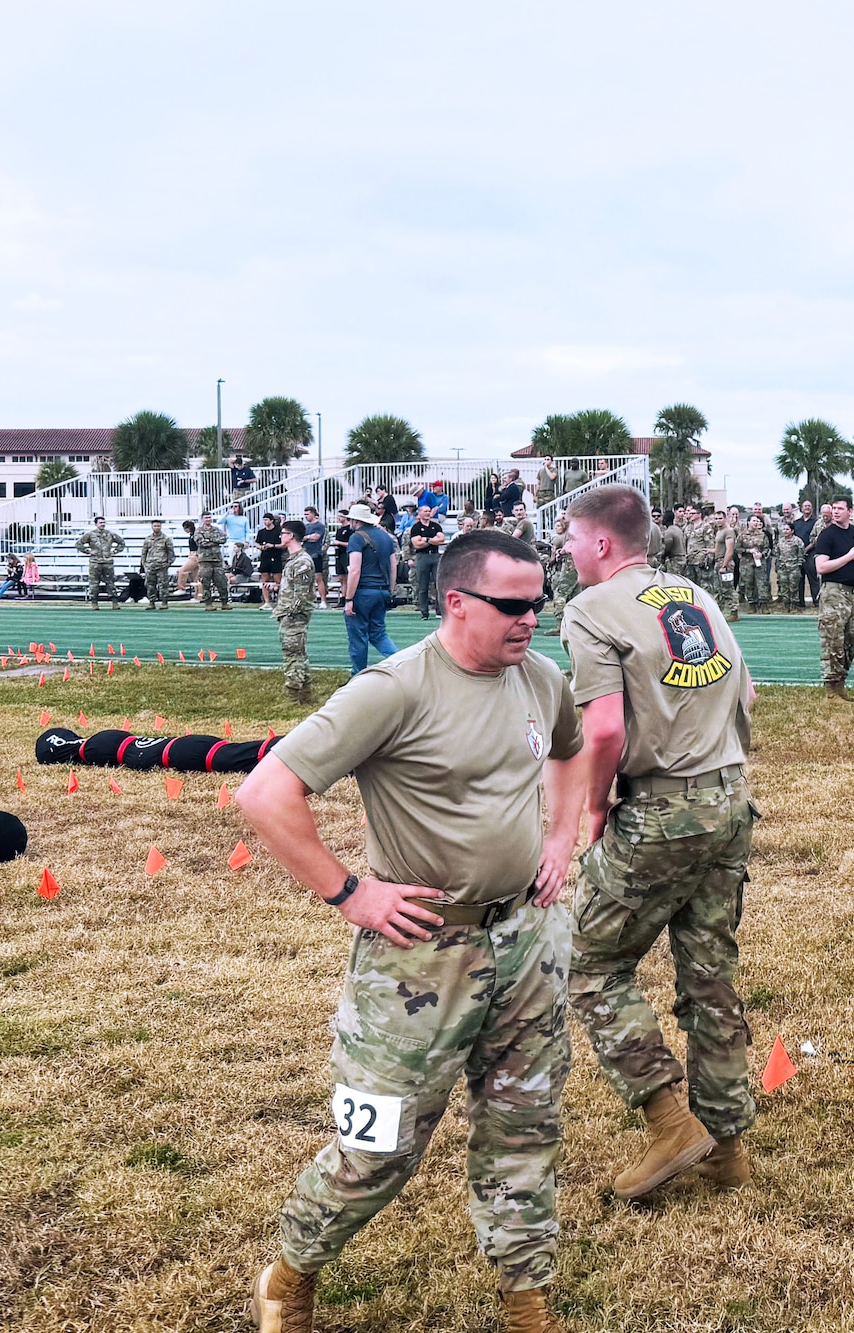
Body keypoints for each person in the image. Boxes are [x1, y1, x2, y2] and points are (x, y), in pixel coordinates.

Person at [237, 529, 583, 1333]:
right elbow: (265, 793)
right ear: (456, 601)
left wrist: (562, 835)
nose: (531, 618)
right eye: (512, 605)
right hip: (422, 958)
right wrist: (351, 893)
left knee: (524, 1126)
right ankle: (290, 1272)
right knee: (379, 1146)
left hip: (526, 942)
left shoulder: (540, 677)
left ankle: (525, 1299)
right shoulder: (392, 689)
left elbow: (572, 752)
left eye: (539, 603)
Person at [556, 486, 757, 1205]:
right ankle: (727, 1146)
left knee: (585, 959)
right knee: (708, 969)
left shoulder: (589, 611)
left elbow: (604, 729)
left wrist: (596, 800)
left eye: (571, 538)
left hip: (663, 806)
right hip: (728, 795)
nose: (565, 550)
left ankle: (670, 1122)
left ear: (602, 543)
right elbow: (747, 694)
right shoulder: (694, 593)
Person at [812, 497, 854, 700]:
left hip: (853, 594)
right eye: (833, 508)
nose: (835, 511)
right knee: (833, 639)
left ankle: (841, 681)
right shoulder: (827, 535)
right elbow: (821, 567)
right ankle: (832, 687)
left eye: (840, 508)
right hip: (834, 593)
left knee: (851, 638)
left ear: (850, 511)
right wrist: (848, 558)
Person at [342, 502, 400, 673]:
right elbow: (393, 566)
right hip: (381, 590)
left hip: (362, 592)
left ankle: (358, 675)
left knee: (358, 637)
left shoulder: (356, 538)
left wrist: (349, 598)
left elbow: (354, 570)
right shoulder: (385, 537)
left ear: (355, 521)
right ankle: (403, 663)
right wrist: (390, 589)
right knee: (378, 634)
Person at [271, 520, 318, 703]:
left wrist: (290, 612)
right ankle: (306, 696)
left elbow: (302, 593)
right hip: (290, 613)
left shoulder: (302, 562)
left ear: (291, 536)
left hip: (294, 616)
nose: (280, 536)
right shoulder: (294, 560)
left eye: (283, 533)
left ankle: (293, 696)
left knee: (292, 655)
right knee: (298, 653)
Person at [74, 514, 125, 610]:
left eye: (103, 522)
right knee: (94, 583)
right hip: (95, 562)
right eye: (100, 523)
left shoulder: (110, 534)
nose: (102, 524)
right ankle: (94, 602)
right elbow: (78, 544)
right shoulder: (90, 534)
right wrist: (88, 551)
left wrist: (114, 551)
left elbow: (121, 542)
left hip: (107, 562)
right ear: (96, 524)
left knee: (110, 583)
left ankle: (114, 602)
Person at [406, 505, 447, 619]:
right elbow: (416, 544)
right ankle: (424, 612)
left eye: (429, 511)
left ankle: (439, 611)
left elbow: (441, 539)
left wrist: (426, 539)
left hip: (435, 556)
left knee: (438, 584)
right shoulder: (416, 528)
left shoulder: (436, 526)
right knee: (423, 585)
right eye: (425, 511)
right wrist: (432, 540)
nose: (428, 513)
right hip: (422, 557)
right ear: (419, 513)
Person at [194, 512, 232, 610]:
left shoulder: (216, 529)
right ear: (202, 519)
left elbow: (223, 539)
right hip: (205, 560)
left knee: (221, 581)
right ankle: (208, 603)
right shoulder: (199, 531)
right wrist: (215, 540)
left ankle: (224, 602)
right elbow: (201, 542)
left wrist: (209, 539)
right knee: (206, 582)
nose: (208, 519)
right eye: (206, 518)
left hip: (217, 560)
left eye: (209, 517)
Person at [789, 499, 819, 607]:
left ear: (812, 508)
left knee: (813, 579)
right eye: (805, 506)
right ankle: (800, 603)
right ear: (801, 508)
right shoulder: (796, 523)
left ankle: (816, 602)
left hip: (810, 554)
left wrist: (806, 549)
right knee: (799, 579)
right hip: (797, 556)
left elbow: (816, 538)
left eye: (809, 506)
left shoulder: (816, 522)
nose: (807, 507)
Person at [739, 513, 771, 609]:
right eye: (754, 521)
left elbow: (767, 548)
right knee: (749, 583)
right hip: (747, 564)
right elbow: (737, 548)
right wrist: (748, 551)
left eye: (757, 521)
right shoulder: (742, 535)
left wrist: (762, 554)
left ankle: (763, 605)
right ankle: (752, 605)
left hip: (760, 563)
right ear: (748, 522)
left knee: (762, 583)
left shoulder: (763, 535)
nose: (756, 523)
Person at [255, 513, 286, 604]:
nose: (265, 522)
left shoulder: (278, 531)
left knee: (278, 580)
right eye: (264, 520)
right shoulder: (261, 532)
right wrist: (260, 547)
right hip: (265, 557)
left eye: (267, 520)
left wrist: (273, 546)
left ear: (272, 521)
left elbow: (283, 544)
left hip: (276, 557)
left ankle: (281, 601)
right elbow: (257, 543)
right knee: (265, 580)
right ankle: (266, 602)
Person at [774, 522, 805, 611]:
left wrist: (799, 565)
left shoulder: (798, 541)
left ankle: (794, 606)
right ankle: (785, 606)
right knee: (784, 587)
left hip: (794, 567)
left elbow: (801, 554)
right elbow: (777, 553)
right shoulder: (780, 541)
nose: (785, 531)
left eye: (787, 529)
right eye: (784, 529)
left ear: (792, 531)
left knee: (793, 587)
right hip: (782, 568)